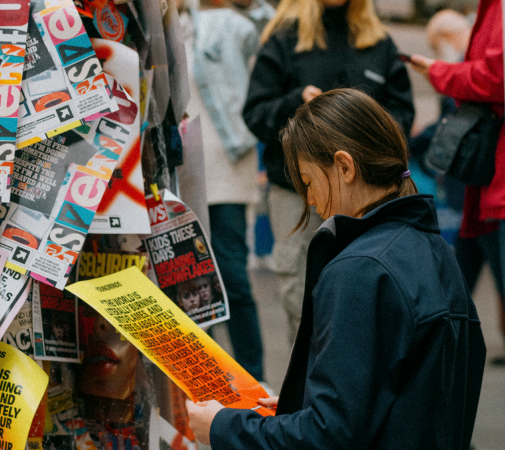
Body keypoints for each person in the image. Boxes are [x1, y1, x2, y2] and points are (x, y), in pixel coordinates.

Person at [187, 89, 486, 449]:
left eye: (310, 182)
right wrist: (299, 407)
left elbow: (328, 435)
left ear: (344, 167)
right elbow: (400, 398)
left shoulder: (360, 270)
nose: (311, 200)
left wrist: (222, 427)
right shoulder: (436, 252)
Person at [244, 0, 415, 346]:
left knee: (367, 295)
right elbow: (255, 113)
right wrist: (296, 102)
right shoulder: (284, 38)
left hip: (369, 201)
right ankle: (307, 394)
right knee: (302, 301)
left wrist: (367, 126)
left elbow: (402, 116)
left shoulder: (378, 41)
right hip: (297, 197)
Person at [407, 0, 505, 364]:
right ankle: (445, 344)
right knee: (458, 280)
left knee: (470, 277)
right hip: (476, 193)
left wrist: (439, 71)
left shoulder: (468, 69)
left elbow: (493, 79)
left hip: (487, 190)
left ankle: (443, 346)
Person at [179, 0, 268, 381]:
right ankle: (207, 379)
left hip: (227, 168)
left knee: (232, 275)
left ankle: (254, 375)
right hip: (185, 171)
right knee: (195, 284)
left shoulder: (231, 24)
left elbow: (262, 28)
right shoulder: (166, 22)